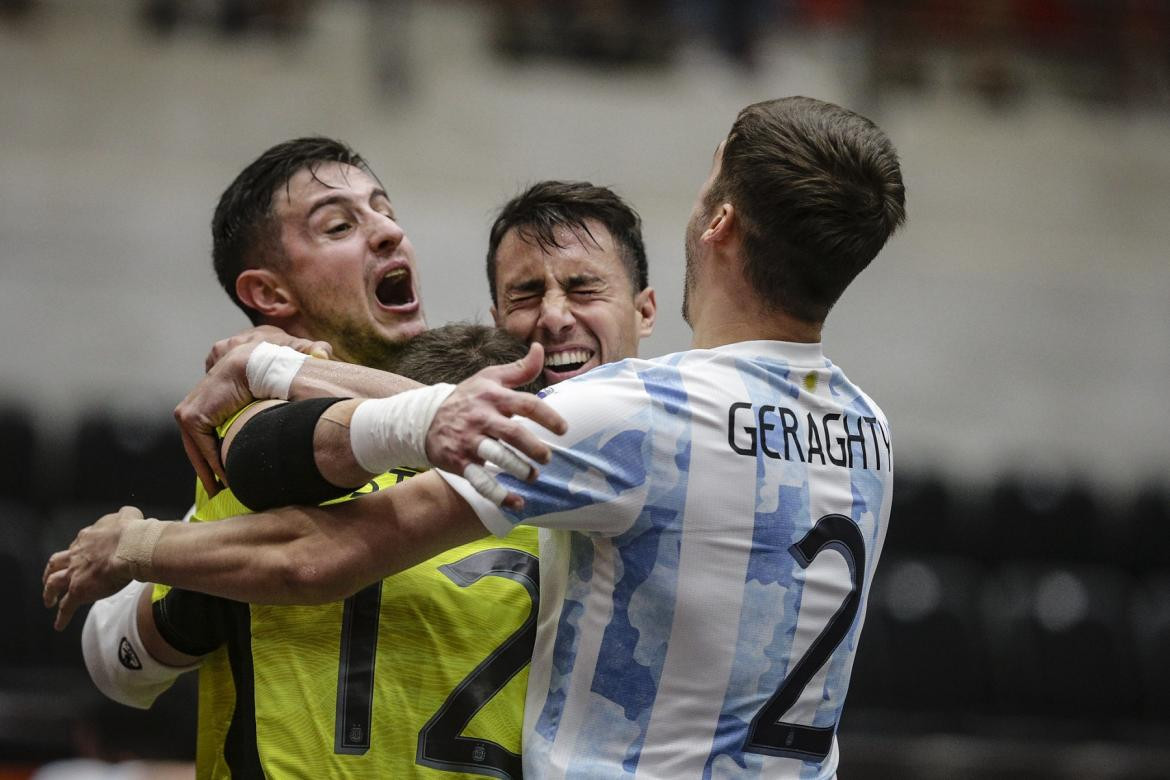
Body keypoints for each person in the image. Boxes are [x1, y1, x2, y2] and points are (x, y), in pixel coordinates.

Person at [47, 96, 905, 778]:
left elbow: (317, 556)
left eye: (583, 286)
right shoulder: (868, 430)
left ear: (712, 230)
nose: (557, 316)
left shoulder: (634, 422)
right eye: (527, 294)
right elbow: (118, 661)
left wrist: (263, 380)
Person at [81, 157, 658, 779]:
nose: (388, 231)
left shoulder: (544, 447)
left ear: (645, 310)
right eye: (339, 225)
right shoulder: (258, 443)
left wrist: (270, 367)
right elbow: (114, 657)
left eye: (386, 209)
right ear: (270, 294)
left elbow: (295, 561)